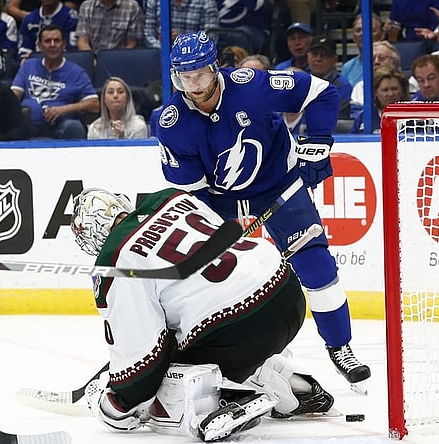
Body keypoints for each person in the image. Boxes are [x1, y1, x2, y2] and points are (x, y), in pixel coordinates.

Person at [155, 31, 371, 389]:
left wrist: (317, 142)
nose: (193, 85)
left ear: (215, 69)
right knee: (204, 281)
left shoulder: (252, 84)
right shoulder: (172, 124)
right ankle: (201, 356)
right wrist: (218, 233)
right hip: (219, 200)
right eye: (185, 76)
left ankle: (341, 348)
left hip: (279, 186)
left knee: (315, 265)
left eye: (200, 75)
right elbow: (194, 194)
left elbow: (322, 93)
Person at [72, 187, 336, 441]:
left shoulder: (113, 260)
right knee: (198, 339)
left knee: (163, 375)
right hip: (287, 293)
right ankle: (289, 382)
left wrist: (116, 405)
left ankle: (222, 403)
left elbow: (141, 362)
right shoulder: (171, 198)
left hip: (235, 331)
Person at [11, 24, 99, 139]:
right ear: (40, 46)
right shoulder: (28, 65)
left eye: (56, 41)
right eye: (48, 41)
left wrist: (64, 109)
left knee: (74, 126)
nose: (52, 45)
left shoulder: (76, 72)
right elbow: (13, 96)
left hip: (61, 127)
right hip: (28, 126)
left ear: (63, 45)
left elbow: (95, 104)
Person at [350, 66, 409, 134]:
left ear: (402, 90)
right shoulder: (364, 118)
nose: (390, 94)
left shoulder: (414, 117)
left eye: (394, 89)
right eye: (385, 90)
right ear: (375, 92)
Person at [307, 35, 351, 119]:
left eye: (324, 55)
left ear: (335, 60)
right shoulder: (303, 81)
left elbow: (338, 118)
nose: (318, 59)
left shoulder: (342, 85)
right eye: (314, 54)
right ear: (308, 57)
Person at [143, 0, 218, 49]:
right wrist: (165, 48)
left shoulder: (207, 3)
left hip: (194, 61)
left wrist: (184, 40)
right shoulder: (155, 2)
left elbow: (210, 39)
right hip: (160, 57)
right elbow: (148, 35)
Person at [75, 0, 144, 51]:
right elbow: (83, 42)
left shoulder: (132, 7)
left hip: (122, 59)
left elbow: (131, 45)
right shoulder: (86, 6)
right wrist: (93, 61)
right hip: (93, 59)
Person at [340, 14, 365, 87]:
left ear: (381, 34)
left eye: (370, 29)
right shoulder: (347, 67)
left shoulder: (388, 61)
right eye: (358, 30)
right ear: (353, 37)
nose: (362, 33)